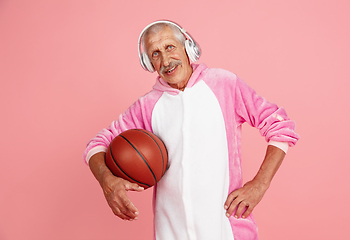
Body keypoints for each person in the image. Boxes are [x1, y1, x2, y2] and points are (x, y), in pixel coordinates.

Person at [83, 20, 299, 240]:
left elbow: (279, 125)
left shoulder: (224, 84)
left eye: (169, 47)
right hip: (171, 234)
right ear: (148, 63)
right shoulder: (147, 106)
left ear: (188, 47)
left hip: (227, 231)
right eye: (155, 54)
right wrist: (107, 181)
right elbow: (96, 145)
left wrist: (259, 184)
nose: (166, 60)